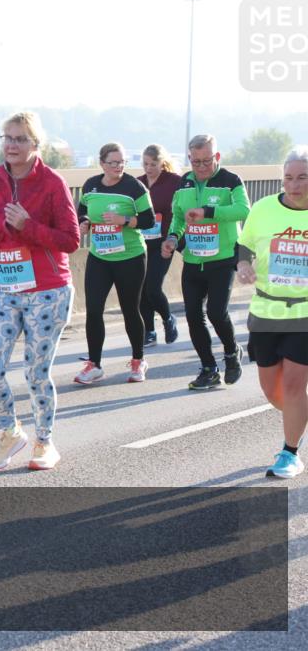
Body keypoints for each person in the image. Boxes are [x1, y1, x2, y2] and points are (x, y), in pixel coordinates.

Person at [0, 112, 80, 470]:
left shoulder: (52, 183)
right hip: (5, 286)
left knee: (35, 371)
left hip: (48, 289)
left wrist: (29, 226)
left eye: (20, 139)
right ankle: (11, 430)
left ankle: (44, 443)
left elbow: (71, 240)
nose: (11, 145)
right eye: (7, 138)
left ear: (35, 145)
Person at [236, 146, 308, 478]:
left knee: (294, 385)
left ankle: (289, 453)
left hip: (304, 313)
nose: (294, 185)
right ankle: (299, 415)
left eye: (302, 178)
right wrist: (243, 265)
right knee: (272, 390)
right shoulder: (264, 209)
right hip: (266, 310)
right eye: (289, 178)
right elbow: (245, 245)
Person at [162, 134, 250, 390]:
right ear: (189, 159)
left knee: (215, 312)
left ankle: (232, 353)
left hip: (222, 259)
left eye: (206, 161)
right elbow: (178, 217)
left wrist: (208, 212)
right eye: (195, 162)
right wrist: (172, 238)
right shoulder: (184, 184)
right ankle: (209, 368)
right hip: (193, 260)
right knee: (192, 316)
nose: (201, 167)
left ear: (217, 157)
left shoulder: (230, 181)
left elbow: (244, 210)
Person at [74, 142, 156, 384]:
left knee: (130, 309)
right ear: (102, 163)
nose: (118, 167)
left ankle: (138, 360)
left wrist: (125, 219)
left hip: (130, 256)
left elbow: (149, 220)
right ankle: (95, 365)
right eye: (113, 163)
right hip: (100, 256)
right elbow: (82, 211)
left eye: (122, 162)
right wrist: (85, 222)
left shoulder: (134, 187)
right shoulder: (91, 185)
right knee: (94, 309)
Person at [138, 144, 182, 347]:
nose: (149, 168)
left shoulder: (175, 182)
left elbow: (180, 210)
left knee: (153, 287)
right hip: (141, 244)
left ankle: (167, 318)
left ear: (162, 163)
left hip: (164, 242)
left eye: (153, 164)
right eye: (146, 164)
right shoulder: (137, 183)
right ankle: (149, 331)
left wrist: (173, 237)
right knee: (141, 289)